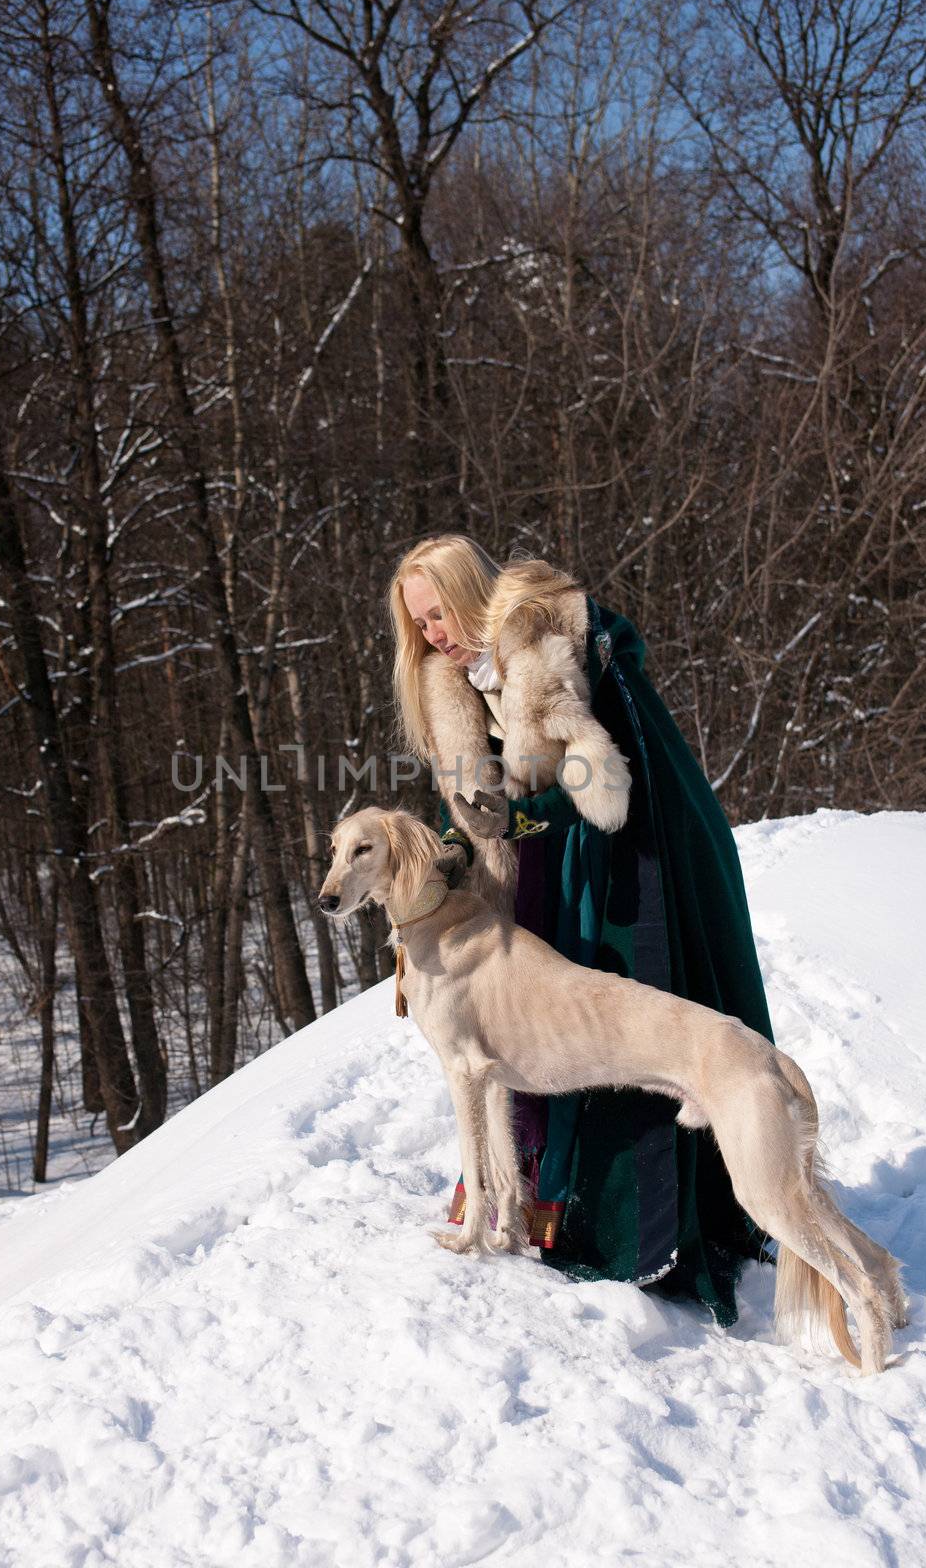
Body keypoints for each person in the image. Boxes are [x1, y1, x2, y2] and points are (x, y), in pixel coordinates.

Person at [388, 533, 776, 1327]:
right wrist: (454, 853)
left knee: (631, 1029)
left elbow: (616, 775)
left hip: (627, 864)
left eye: (437, 613)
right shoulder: (448, 685)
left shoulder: (557, 640)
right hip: (531, 878)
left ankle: (651, 1230)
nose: (431, 635)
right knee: (541, 1038)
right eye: (417, 624)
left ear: (471, 593)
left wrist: (527, 812)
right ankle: (537, 1211)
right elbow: (464, 810)